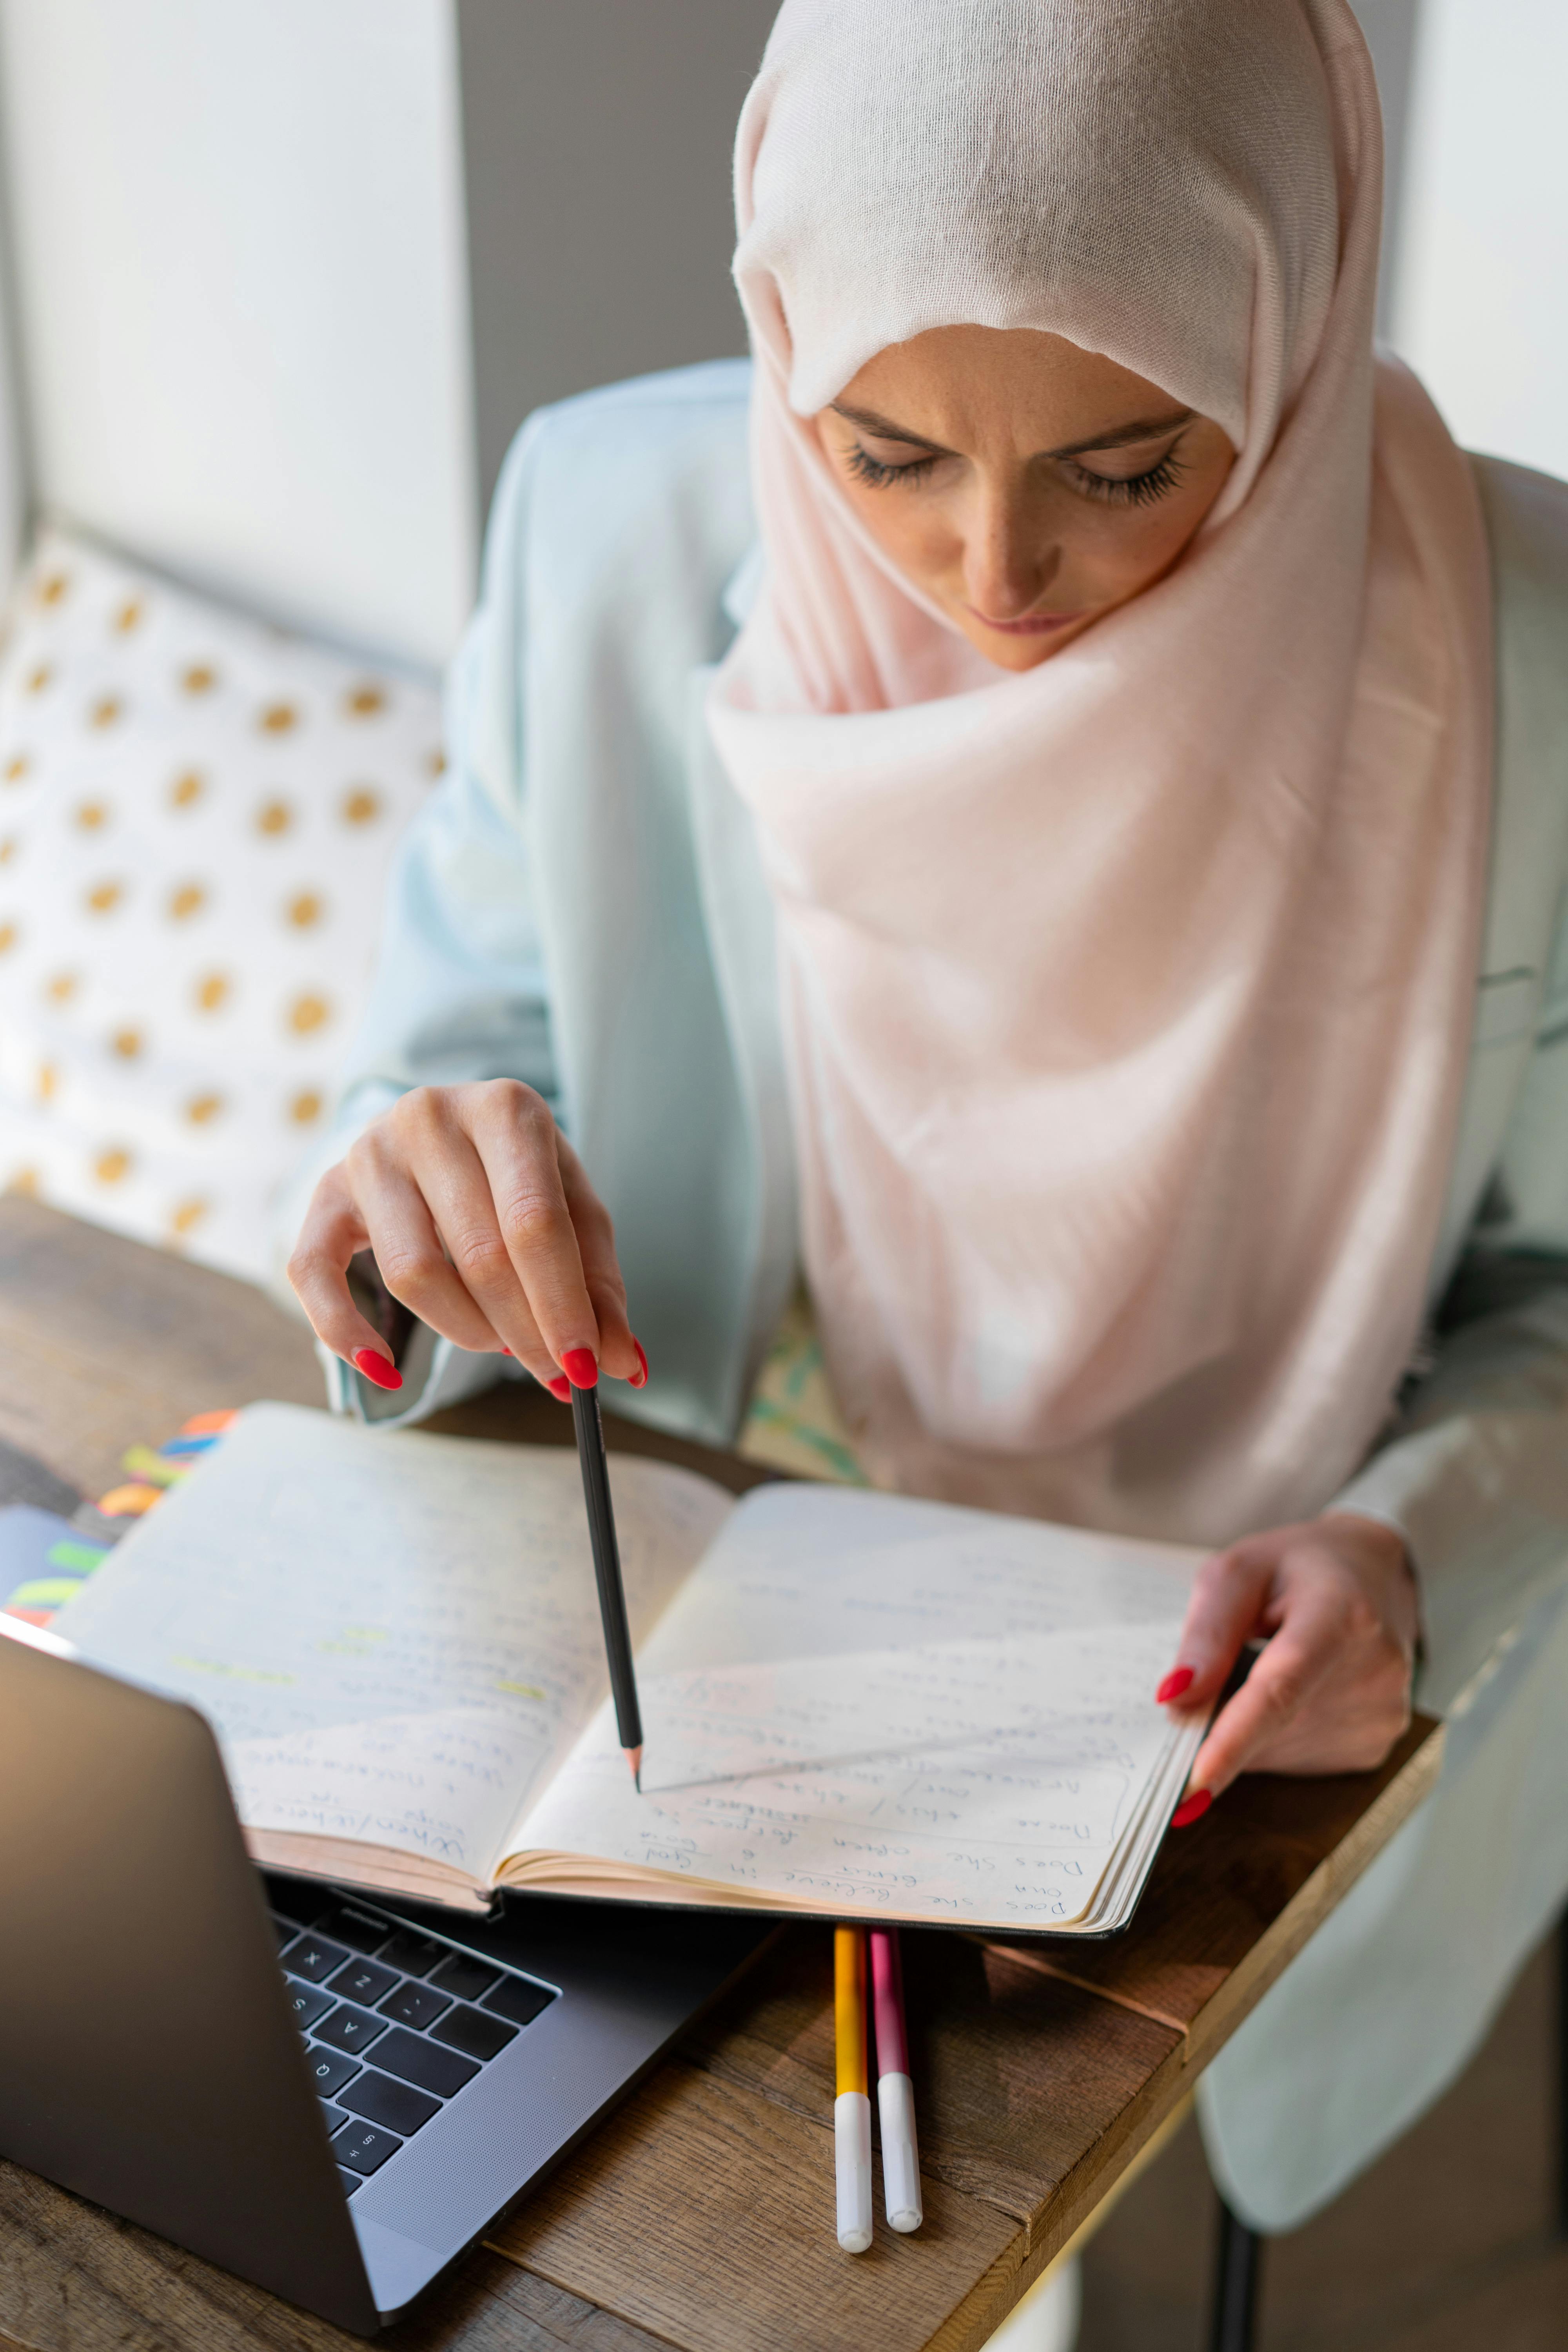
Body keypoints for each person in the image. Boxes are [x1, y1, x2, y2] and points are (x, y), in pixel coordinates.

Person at [282, 0, 1568, 2332]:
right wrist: (417, 1197)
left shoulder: (1537, 664)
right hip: (715, 1722)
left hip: (1277, 1757)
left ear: (1295, 333)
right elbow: (459, 1053)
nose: (999, 574)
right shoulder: (603, 528)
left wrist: (1417, 1550)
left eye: (1131, 457)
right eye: (880, 452)